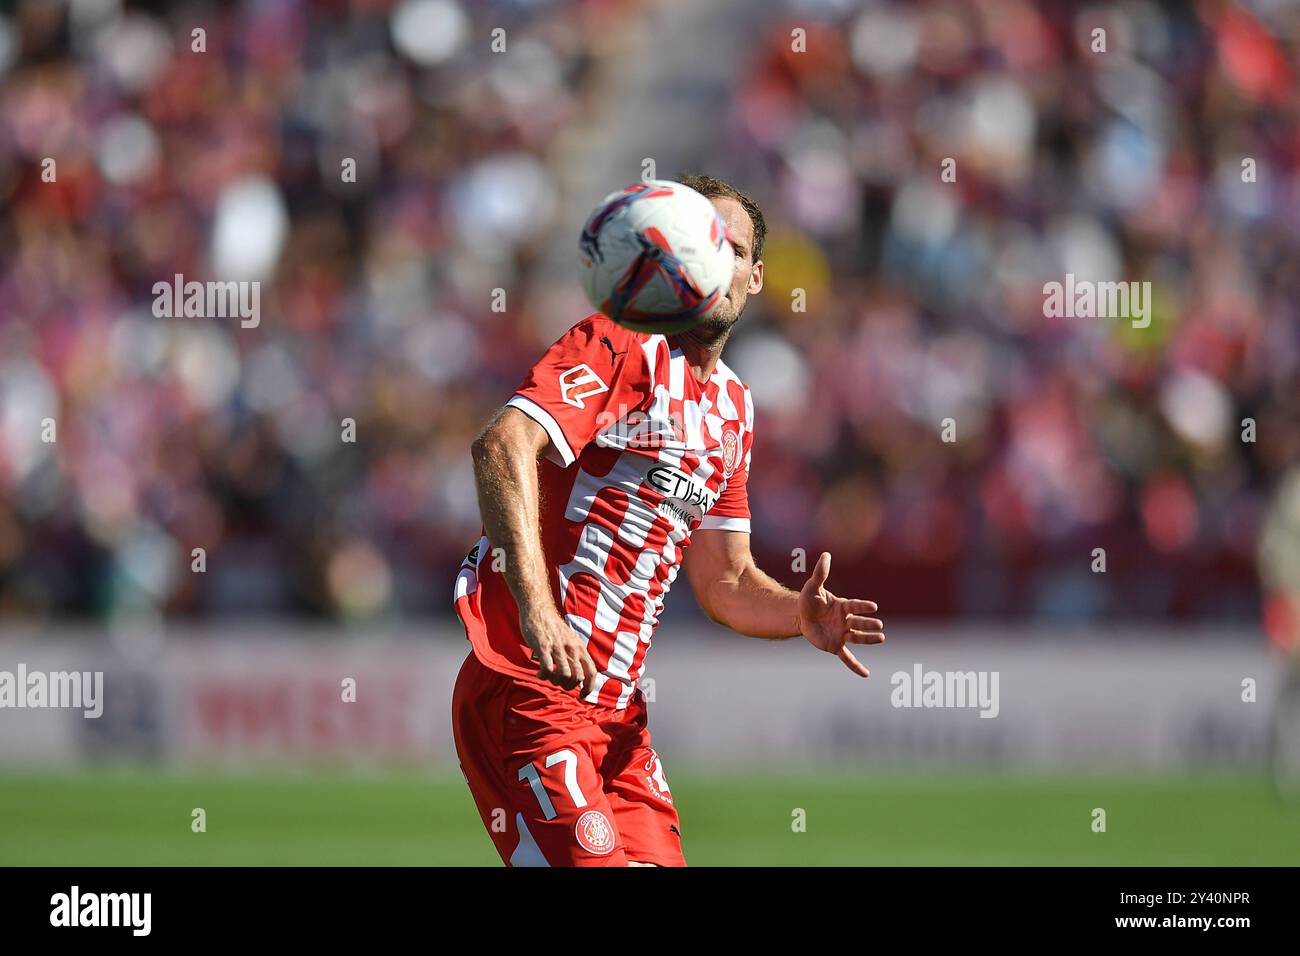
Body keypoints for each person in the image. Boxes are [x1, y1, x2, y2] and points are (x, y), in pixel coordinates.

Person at [450, 175, 886, 866]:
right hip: (533, 690)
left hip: (619, 719)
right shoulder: (621, 344)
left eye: (729, 248)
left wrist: (795, 615)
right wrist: (539, 611)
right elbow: (502, 444)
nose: (710, 261)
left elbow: (727, 581)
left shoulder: (734, 408)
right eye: (693, 242)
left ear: (756, 275)